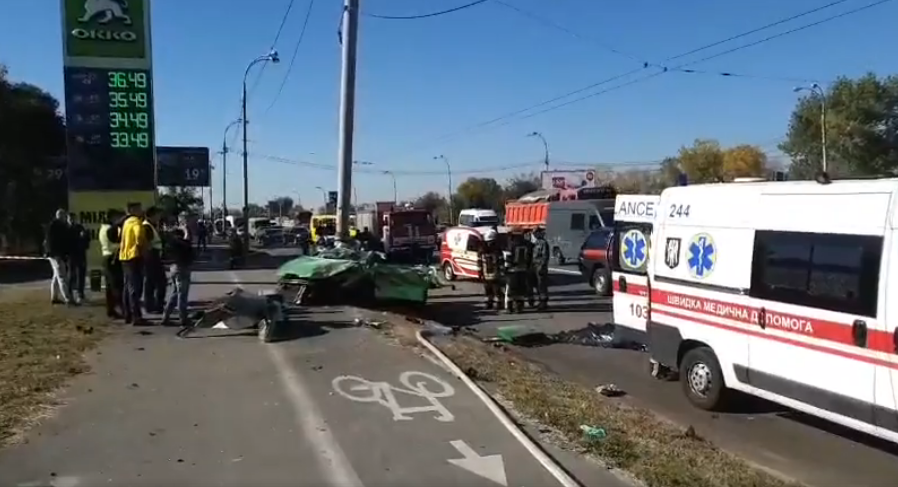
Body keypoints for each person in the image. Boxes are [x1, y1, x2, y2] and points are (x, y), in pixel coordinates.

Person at [119, 202, 148, 325]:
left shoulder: (125, 222)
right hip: (134, 256)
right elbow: (139, 237)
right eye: (139, 208)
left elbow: (119, 236)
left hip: (124, 256)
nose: (141, 211)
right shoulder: (136, 222)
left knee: (127, 286)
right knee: (135, 288)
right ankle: (137, 316)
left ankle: (127, 314)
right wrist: (143, 249)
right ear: (133, 210)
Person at [161, 228, 194, 327]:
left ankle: (165, 317)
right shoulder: (180, 244)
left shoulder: (169, 243)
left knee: (175, 293)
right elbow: (188, 246)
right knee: (182, 295)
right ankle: (183, 318)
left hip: (173, 268)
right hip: (182, 268)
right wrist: (186, 232)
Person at [99, 209, 124, 319]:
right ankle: (123, 309)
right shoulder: (110, 229)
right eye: (117, 217)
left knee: (110, 287)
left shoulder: (103, 228)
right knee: (117, 285)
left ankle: (111, 310)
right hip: (113, 257)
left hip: (106, 257)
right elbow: (114, 244)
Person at [45, 209, 73, 305]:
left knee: (56, 277)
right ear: (61, 216)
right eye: (65, 216)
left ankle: (54, 297)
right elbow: (56, 242)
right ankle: (68, 299)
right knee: (62, 277)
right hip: (56, 255)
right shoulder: (58, 226)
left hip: (52, 255)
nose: (66, 218)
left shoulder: (52, 225)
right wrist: (59, 255)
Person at [142, 206, 166, 313]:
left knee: (151, 283)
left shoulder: (151, 226)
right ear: (152, 215)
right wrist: (150, 253)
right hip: (151, 257)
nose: (159, 217)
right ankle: (156, 306)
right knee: (158, 282)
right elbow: (146, 243)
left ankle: (151, 305)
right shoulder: (147, 227)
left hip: (153, 256)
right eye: (157, 215)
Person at [504, 231, 532, 313]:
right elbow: (530, 258)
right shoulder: (528, 244)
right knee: (521, 290)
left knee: (511, 290)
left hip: (512, 271)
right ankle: (519, 308)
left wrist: (506, 269)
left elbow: (508, 258)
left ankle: (509, 308)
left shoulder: (512, 245)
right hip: (523, 270)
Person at [478, 229, 504, 310]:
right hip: (494, 274)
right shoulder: (497, 250)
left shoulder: (482, 250)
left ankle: (491, 303)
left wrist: (480, 273)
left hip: (487, 274)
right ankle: (496, 303)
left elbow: (479, 263)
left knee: (490, 290)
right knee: (494, 290)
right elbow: (501, 262)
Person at [67, 213, 90, 303]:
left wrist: (85, 236)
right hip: (71, 256)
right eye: (70, 218)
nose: (72, 220)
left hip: (81, 254)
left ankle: (81, 295)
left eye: (73, 218)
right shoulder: (66, 229)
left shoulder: (80, 227)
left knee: (81, 275)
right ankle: (70, 295)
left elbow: (86, 241)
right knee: (71, 276)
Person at [531, 227, 551, 310]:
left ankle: (543, 302)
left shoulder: (543, 243)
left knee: (542, 285)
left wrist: (541, 267)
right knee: (536, 285)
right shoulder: (534, 242)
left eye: (536, 232)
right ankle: (540, 301)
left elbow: (545, 256)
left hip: (540, 267)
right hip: (534, 266)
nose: (535, 234)